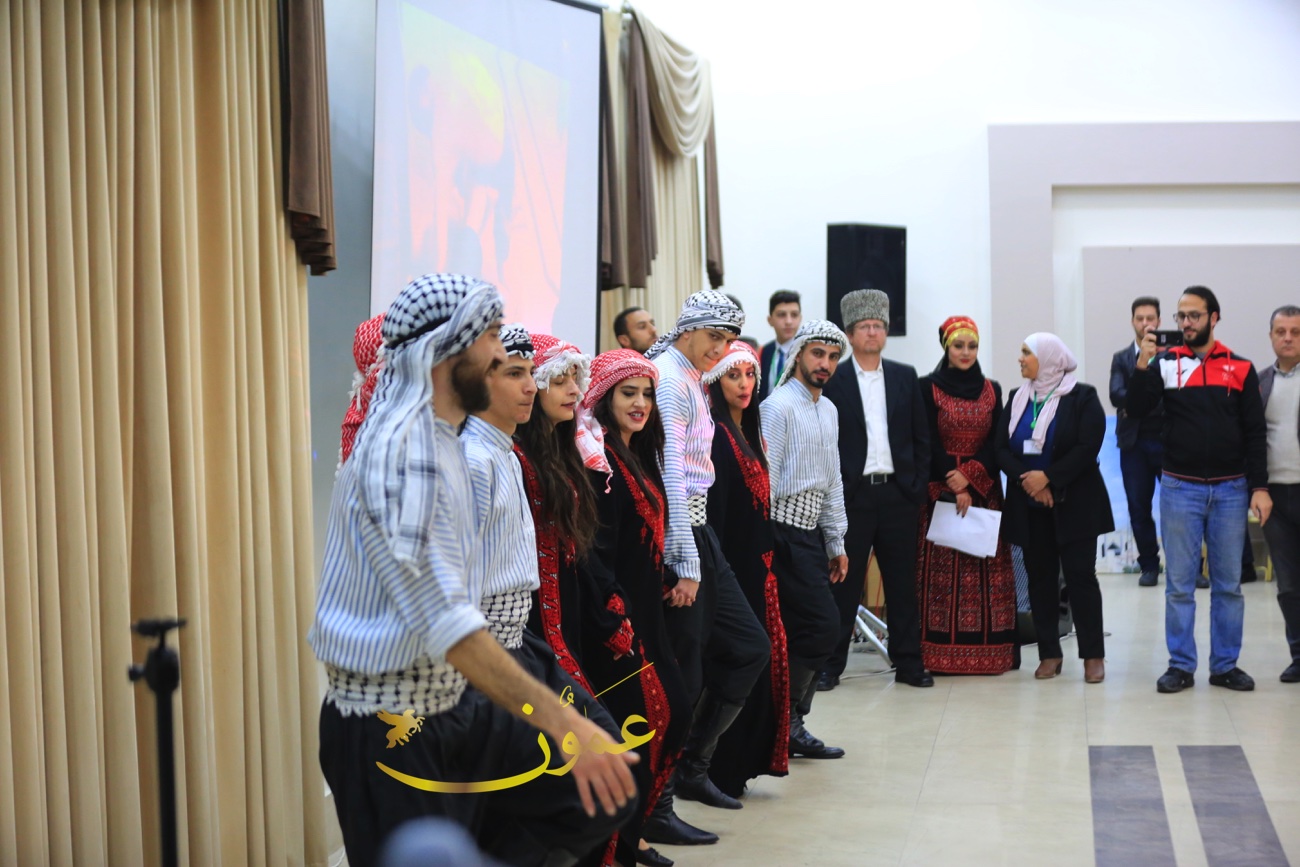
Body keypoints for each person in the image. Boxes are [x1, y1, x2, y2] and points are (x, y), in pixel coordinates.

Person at [309, 274, 637, 867]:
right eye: (490, 337)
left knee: (600, 792)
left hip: (450, 703)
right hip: (392, 719)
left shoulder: (439, 441)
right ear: (449, 348)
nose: (499, 353)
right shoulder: (404, 454)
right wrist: (562, 720)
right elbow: (448, 625)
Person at [641, 290, 769, 847]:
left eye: (728, 339)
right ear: (688, 330)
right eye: (714, 337)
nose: (720, 349)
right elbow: (668, 468)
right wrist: (683, 556)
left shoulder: (691, 375)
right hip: (681, 533)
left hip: (700, 529)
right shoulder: (670, 379)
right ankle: (659, 802)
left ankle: (694, 765)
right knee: (683, 675)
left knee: (749, 646)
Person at [578, 349, 694, 867]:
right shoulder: (600, 461)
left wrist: (665, 576)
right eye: (629, 393)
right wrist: (614, 617)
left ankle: (634, 832)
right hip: (617, 617)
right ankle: (622, 842)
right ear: (605, 398)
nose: (641, 403)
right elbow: (595, 550)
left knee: (673, 712)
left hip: (648, 607)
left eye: (647, 394)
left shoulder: (638, 453)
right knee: (647, 717)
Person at [1129, 286, 1272, 694]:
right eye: (1181, 316)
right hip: (1180, 488)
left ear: (1214, 317)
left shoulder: (1240, 367)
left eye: (1194, 315)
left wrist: (1259, 487)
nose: (1186, 323)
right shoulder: (1165, 364)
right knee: (1179, 586)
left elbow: (1255, 432)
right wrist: (1142, 363)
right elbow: (1136, 409)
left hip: (1231, 490)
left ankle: (1225, 666)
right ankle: (1180, 666)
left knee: (1228, 585)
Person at [822, 289, 933, 689]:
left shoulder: (905, 376)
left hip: (898, 495)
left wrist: (915, 487)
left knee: (902, 585)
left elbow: (921, 437)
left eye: (878, 326)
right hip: (852, 497)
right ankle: (830, 666)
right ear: (850, 335)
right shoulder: (834, 379)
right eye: (864, 326)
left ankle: (909, 664)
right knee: (844, 585)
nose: (872, 332)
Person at [514, 333, 632, 698]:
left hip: (569, 608)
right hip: (532, 618)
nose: (573, 391)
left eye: (574, 380)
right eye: (559, 381)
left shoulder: (562, 451)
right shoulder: (518, 457)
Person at [995, 333, 1113, 684]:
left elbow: (1088, 446)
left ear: (1048, 358)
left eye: (1026, 353)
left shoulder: (1082, 397)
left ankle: (1093, 655)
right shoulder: (1017, 398)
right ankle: (1049, 653)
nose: (1020, 359)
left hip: (1075, 502)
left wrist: (1048, 478)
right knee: (1040, 579)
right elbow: (1000, 449)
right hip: (1029, 503)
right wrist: (1028, 480)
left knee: (1080, 577)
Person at [703, 341, 791, 793]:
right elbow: (717, 516)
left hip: (760, 570)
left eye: (750, 375)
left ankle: (739, 765)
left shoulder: (748, 430)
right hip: (735, 569)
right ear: (716, 381)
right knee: (740, 661)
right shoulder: (717, 435)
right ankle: (717, 767)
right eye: (733, 375)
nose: (744, 384)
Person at [761, 320, 851, 758]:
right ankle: (787, 722)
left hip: (811, 535)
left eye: (833, 357)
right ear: (798, 354)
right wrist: (764, 544)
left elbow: (832, 479)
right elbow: (765, 480)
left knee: (806, 630)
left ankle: (787, 724)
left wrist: (836, 542)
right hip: (781, 534)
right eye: (818, 354)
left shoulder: (828, 409)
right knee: (822, 627)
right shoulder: (777, 407)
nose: (825, 364)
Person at [915, 317, 1018, 675]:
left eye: (972, 346)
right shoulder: (927, 388)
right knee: (940, 576)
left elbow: (997, 442)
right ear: (947, 347)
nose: (965, 353)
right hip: (940, 492)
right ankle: (936, 655)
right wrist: (954, 483)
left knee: (984, 569)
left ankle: (992, 653)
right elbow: (926, 439)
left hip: (984, 491)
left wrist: (971, 479)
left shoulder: (992, 389)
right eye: (959, 346)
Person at [1109, 296, 1165, 587]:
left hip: (1168, 441)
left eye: (1150, 318)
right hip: (1134, 443)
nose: (1145, 323)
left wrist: (1136, 404)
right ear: (1132, 321)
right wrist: (1141, 400)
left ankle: (1190, 568)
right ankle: (1149, 566)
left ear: (1159, 321)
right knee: (1138, 507)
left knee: (1180, 507)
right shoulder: (1122, 358)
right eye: (1140, 318)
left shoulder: (1172, 356)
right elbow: (1115, 395)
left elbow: (1174, 396)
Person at [1259, 305, 1300, 683]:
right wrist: (1256, 488)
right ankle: (1299, 654)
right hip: (1274, 496)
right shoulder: (1260, 383)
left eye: (1296, 332)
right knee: (1288, 584)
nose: (1288, 338)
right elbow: (1252, 439)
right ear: (1271, 336)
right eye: (1281, 331)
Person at [758, 290, 801, 403]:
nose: (788, 321)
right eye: (782, 315)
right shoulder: (765, 351)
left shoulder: (805, 352)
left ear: (800, 318)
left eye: (794, 315)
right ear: (770, 320)